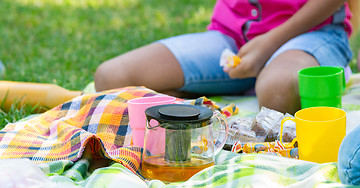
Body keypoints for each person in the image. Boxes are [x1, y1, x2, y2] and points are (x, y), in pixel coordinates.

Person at [94, 0, 357, 115]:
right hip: (232, 35)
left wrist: (269, 45)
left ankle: (298, 72)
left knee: (276, 91)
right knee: (112, 77)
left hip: (312, 32)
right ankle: (244, 85)